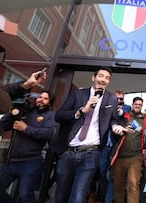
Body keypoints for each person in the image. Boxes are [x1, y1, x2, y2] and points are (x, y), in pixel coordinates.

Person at [53, 67, 120, 203]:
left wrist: (116, 126)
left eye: (107, 78)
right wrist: (82, 110)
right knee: (61, 195)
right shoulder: (78, 94)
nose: (103, 80)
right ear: (93, 78)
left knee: (79, 196)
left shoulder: (111, 99)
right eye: (101, 76)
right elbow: (59, 115)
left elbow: (114, 119)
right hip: (69, 152)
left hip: (91, 153)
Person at [0, 90, 57, 203]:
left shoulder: (51, 116)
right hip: (11, 161)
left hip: (31, 162)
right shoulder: (25, 112)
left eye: (45, 98)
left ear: (49, 102)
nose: (41, 100)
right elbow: (3, 125)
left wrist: (26, 129)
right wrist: (13, 112)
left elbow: (48, 133)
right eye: (39, 97)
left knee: (25, 195)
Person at [111, 96, 146, 203]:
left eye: (140, 105)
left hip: (136, 157)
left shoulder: (145, 120)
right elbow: (113, 132)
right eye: (136, 104)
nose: (137, 106)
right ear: (132, 105)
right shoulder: (123, 117)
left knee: (133, 184)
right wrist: (121, 131)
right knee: (118, 186)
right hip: (120, 156)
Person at [97, 89, 132, 203]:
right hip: (103, 145)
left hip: (115, 147)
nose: (119, 101)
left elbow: (126, 110)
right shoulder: (107, 107)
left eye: (121, 99)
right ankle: (101, 195)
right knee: (102, 172)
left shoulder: (125, 108)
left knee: (111, 175)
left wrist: (119, 111)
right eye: (117, 98)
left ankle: (109, 199)